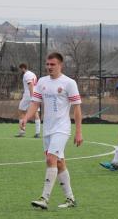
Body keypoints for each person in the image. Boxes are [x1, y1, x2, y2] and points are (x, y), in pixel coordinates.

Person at [23, 52, 83, 210]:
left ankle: (44, 198)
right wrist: (26, 118)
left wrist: (78, 132)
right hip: (48, 129)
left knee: (50, 159)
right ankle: (70, 199)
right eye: (47, 64)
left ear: (60, 65)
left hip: (62, 129)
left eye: (53, 64)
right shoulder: (42, 82)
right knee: (59, 163)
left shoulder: (69, 83)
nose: (49, 67)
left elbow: (77, 109)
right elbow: (35, 103)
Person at [16, 63, 41, 138]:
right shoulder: (33, 74)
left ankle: (22, 131)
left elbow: (30, 84)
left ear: (23, 68)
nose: (20, 71)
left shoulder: (27, 74)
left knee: (21, 111)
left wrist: (32, 96)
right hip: (36, 94)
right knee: (36, 113)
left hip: (28, 95)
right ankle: (37, 133)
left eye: (20, 69)